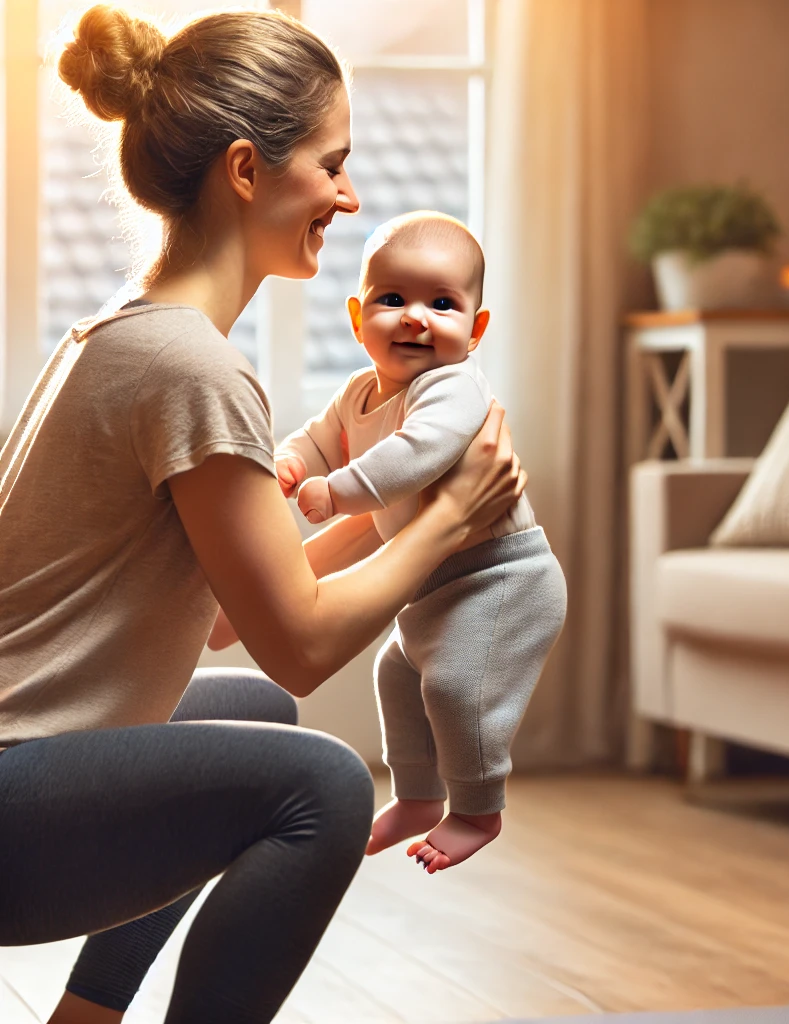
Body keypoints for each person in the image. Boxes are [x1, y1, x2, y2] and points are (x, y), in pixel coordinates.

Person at [0, 7, 525, 1024]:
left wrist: (394, 506)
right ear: (246, 169)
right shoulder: (193, 367)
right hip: (15, 803)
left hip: (27, 770)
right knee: (322, 785)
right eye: (332, 165)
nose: (350, 196)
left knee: (254, 716)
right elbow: (302, 644)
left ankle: (83, 1019)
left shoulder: (119, 334)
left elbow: (221, 622)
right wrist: (450, 519)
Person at [267, 211, 566, 873]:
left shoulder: (452, 388)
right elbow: (319, 438)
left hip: (504, 577)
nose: (415, 319)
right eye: (394, 299)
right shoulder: (357, 392)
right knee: (397, 674)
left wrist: (336, 492)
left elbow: (415, 455)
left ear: (475, 330)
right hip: (437, 582)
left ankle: (478, 810)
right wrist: (292, 462)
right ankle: (418, 796)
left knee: (456, 687)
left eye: (443, 304)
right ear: (358, 317)